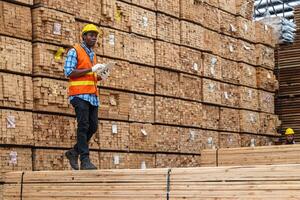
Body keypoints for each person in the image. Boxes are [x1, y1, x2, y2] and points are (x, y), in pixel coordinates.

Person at [64, 24, 109, 170]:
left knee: (93, 126)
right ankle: (84, 160)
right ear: (83, 36)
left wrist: (101, 76)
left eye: (95, 35)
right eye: (90, 35)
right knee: (83, 126)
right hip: (79, 95)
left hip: (92, 96)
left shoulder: (93, 55)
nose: (93, 37)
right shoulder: (74, 51)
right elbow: (69, 72)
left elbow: (92, 77)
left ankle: (74, 152)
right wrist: (91, 69)